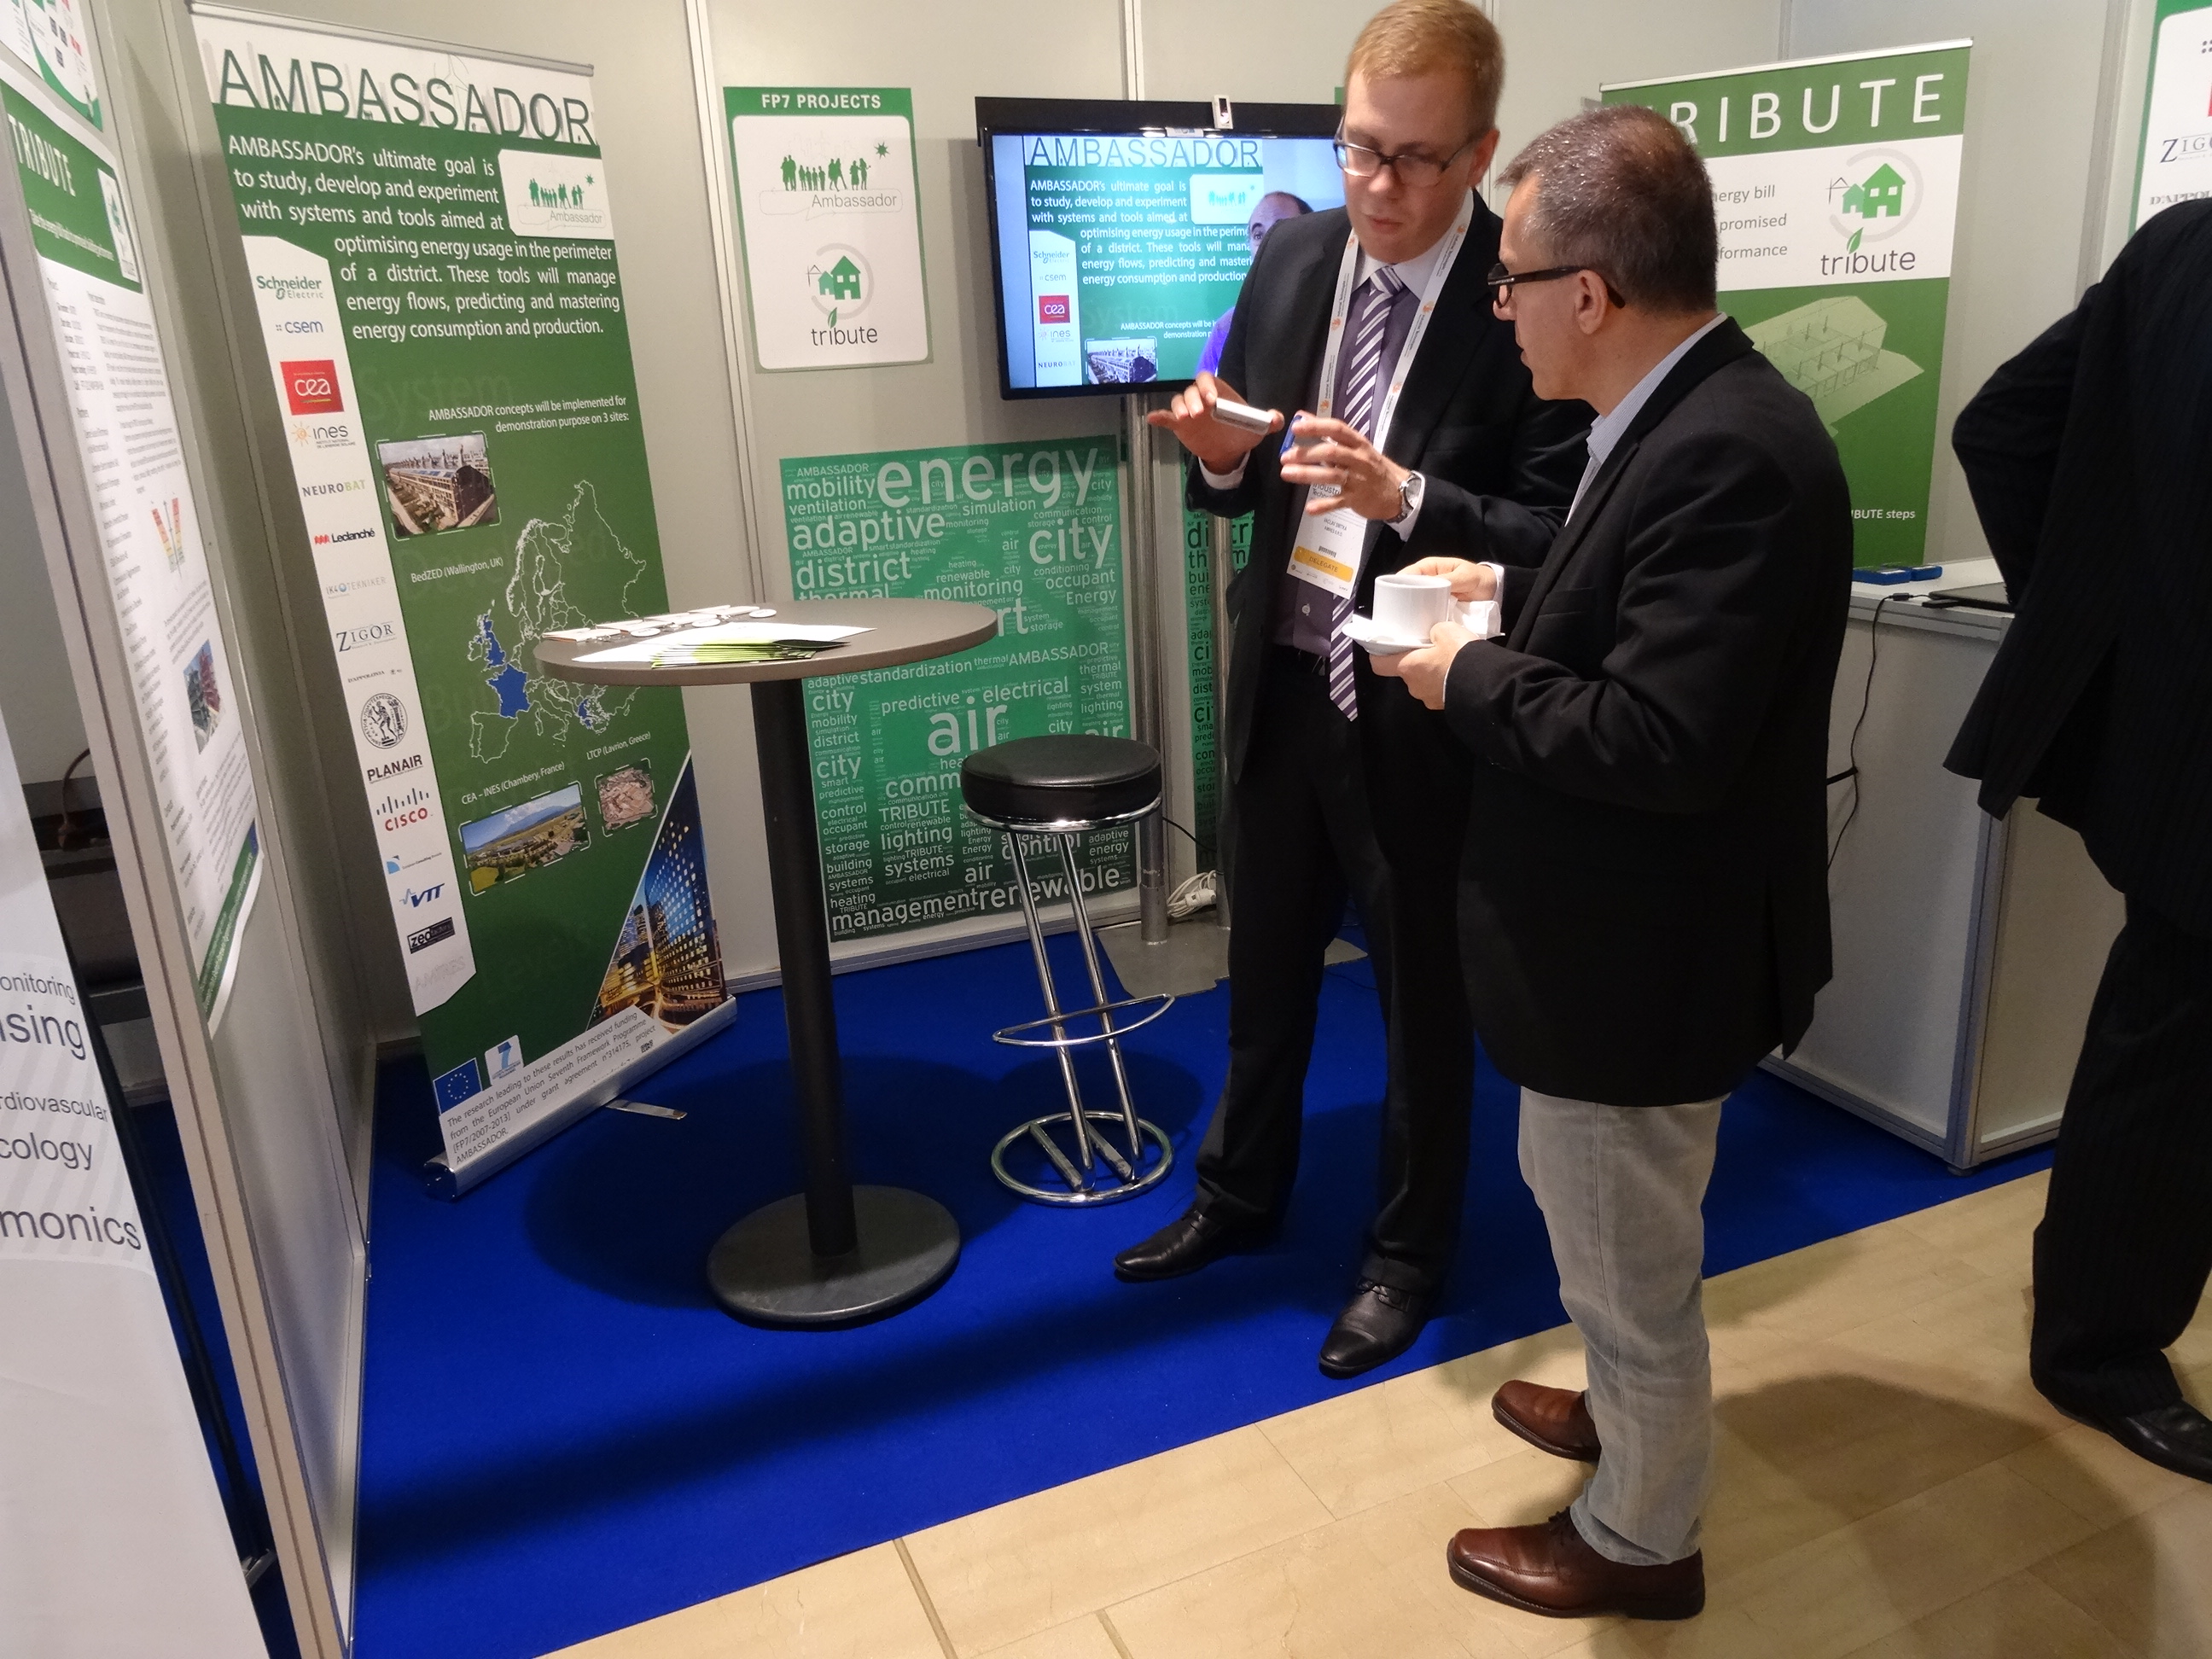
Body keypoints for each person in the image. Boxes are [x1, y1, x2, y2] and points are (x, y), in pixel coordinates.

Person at [1371, 104, 1850, 1617]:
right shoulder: (1676, 412)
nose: (1496, 307)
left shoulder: (1730, 451)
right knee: (1608, 1228)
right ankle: (1627, 1410)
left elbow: (1659, 738)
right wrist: (1508, 589)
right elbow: (1630, 606)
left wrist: (1462, 670)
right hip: (1621, 940)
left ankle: (1643, 1537)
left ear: (1587, 292)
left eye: (1507, 279)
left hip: (1641, 960)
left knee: (1626, 1254)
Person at [1116, 0, 1588, 1380]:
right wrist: (1219, 458)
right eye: (1360, 147)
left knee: (1422, 1005)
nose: (1380, 187)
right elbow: (1252, 483)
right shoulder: (1293, 257)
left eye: (1417, 159)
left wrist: (1410, 494)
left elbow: (1557, 532)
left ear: (1482, 153)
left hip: (1421, 713)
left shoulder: (1528, 293)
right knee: (1261, 969)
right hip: (1281, 680)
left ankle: (1403, 1255)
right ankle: (1239, 1189)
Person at [1942, 201, 2212, 1485]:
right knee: (2171, 1052)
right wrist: (2104, 622)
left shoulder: (2182, 247)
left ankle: (2101, 1334)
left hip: (2174, 741)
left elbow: (2005, 428)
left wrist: (2102, 627)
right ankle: (2096, 1346)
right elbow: (2002, 427)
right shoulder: (2185, 257)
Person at [1196, 192, 1312, 377]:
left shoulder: (1334, 313)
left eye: (1281, 230)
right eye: (1258, 235)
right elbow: (1204, 387)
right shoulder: (1227, 327)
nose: (1267, 243)